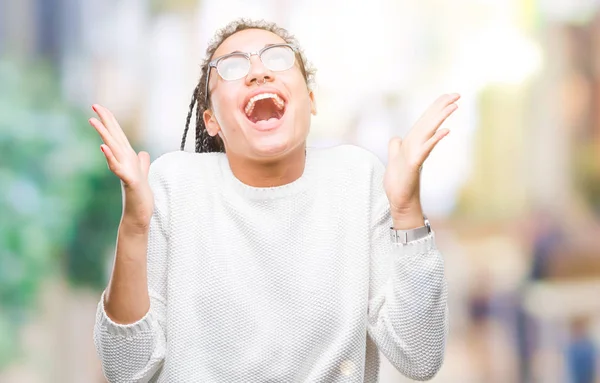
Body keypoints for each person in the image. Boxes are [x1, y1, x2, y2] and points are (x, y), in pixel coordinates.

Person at [91, 18, 455, 383]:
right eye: (233, 66)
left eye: (278, 59)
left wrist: (407, 210)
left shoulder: (357, 179)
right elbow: (127, 369)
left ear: (311, 101)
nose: (258, 72)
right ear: (211, 120)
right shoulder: (175, 183)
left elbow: (418, 356)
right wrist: (134, 227)